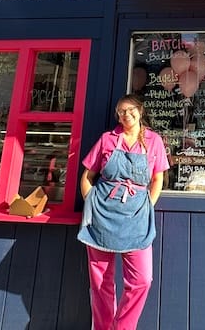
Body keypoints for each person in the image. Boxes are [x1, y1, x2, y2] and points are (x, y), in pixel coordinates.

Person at [78, 94, 170, 330]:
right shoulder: (107, 139)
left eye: (130, 110)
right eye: (121, 111)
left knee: (142, 280)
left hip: (136, 217)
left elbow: (158, 178)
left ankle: (122, 327)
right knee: (100, 281)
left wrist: (148, 205)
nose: (126, 115)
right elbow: (87, 176)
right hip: (102, 215)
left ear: (140, 111)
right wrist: (91, 203)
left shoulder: (154, 141)